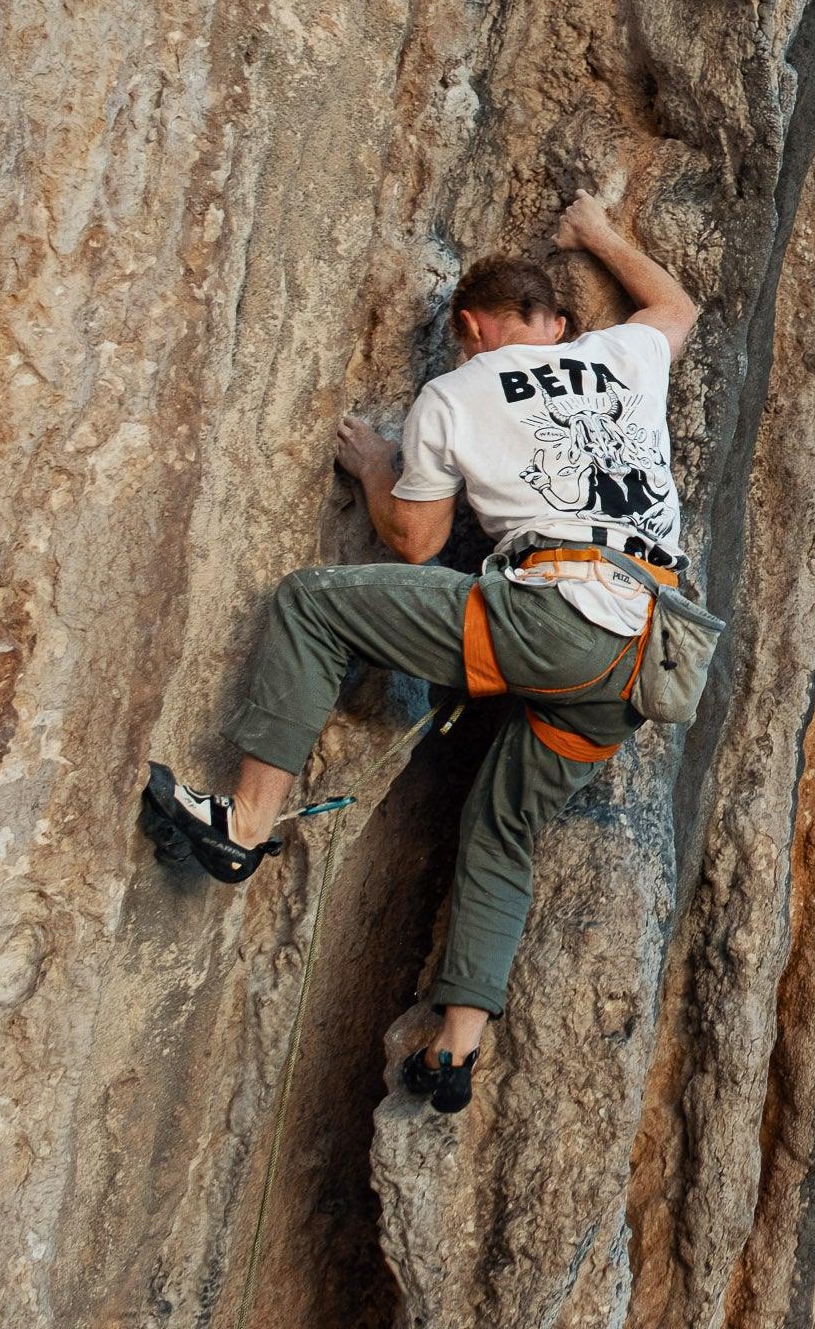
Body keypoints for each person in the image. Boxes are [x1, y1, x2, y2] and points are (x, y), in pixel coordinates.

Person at [143, 194, 698, 1114]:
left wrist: (373, 465)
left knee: (311, 604)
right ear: (557, 325)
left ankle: (242, 825)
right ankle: (454, 1050)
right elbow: (673, 307)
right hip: (652, 653)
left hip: (555, 619)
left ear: (473, 330)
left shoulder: (457, 391)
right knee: (503, 829)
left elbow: (414, 541)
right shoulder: (619, 355)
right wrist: (597, 234)